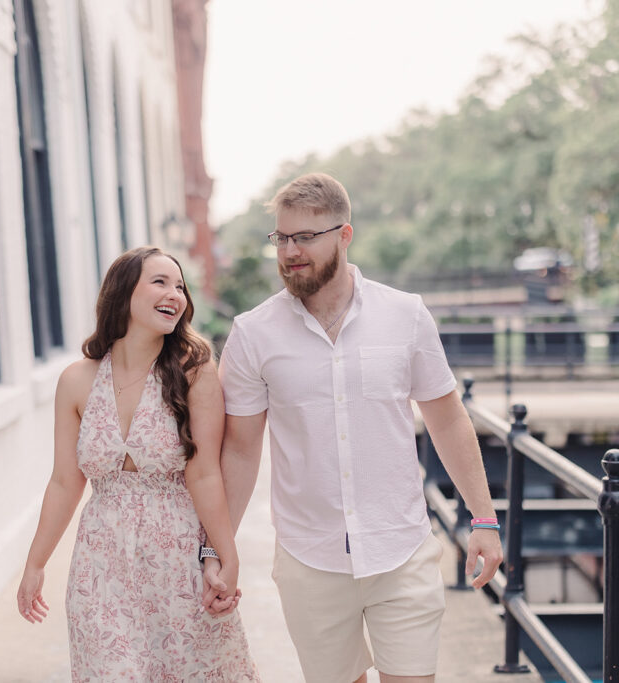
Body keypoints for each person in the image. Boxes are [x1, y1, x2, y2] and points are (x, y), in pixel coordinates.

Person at [202, 173, 503, 683]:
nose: (290, 251)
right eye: (282, 238)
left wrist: (484, 518)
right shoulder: (253, 334)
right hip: (308, 557)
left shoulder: (405, 315)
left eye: (305, 237)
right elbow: (239, 452)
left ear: (344, 234)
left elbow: (447, 417)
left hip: (400, 548)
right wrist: (216, 548)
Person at [17, 246, 259, 682]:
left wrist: (225, 555)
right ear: (124, 293)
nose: (176, 294)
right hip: (100, 567)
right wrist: (36, 563)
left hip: (176, 562)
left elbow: (205, 474)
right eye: (161, 282)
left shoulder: (194, 372)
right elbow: (63, 483)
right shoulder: (76, 381)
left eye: (181, 286)